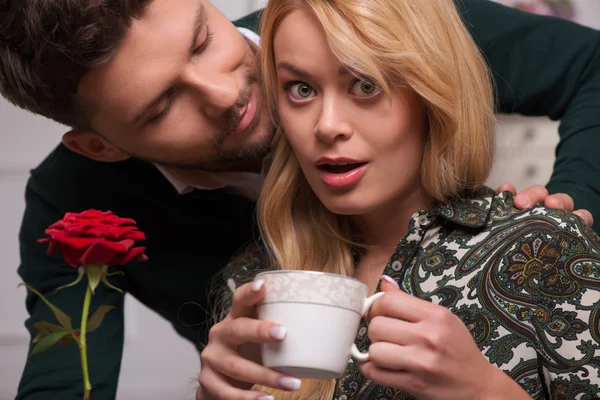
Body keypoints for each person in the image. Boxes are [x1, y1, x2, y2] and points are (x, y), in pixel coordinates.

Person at [0, 0, 598, 398]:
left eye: (204, 40)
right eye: (161, 106)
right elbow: (66, 380)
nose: (227, 92)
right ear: (99, 147)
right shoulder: (75, 209)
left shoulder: (342, 24)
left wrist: (568, 213)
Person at [199, 0, 600, 399]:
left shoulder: (540, 248)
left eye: (365, 85)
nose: (327, 126)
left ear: (431, 91)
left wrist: (483, 391)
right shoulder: (255, 280)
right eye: (301, 90)